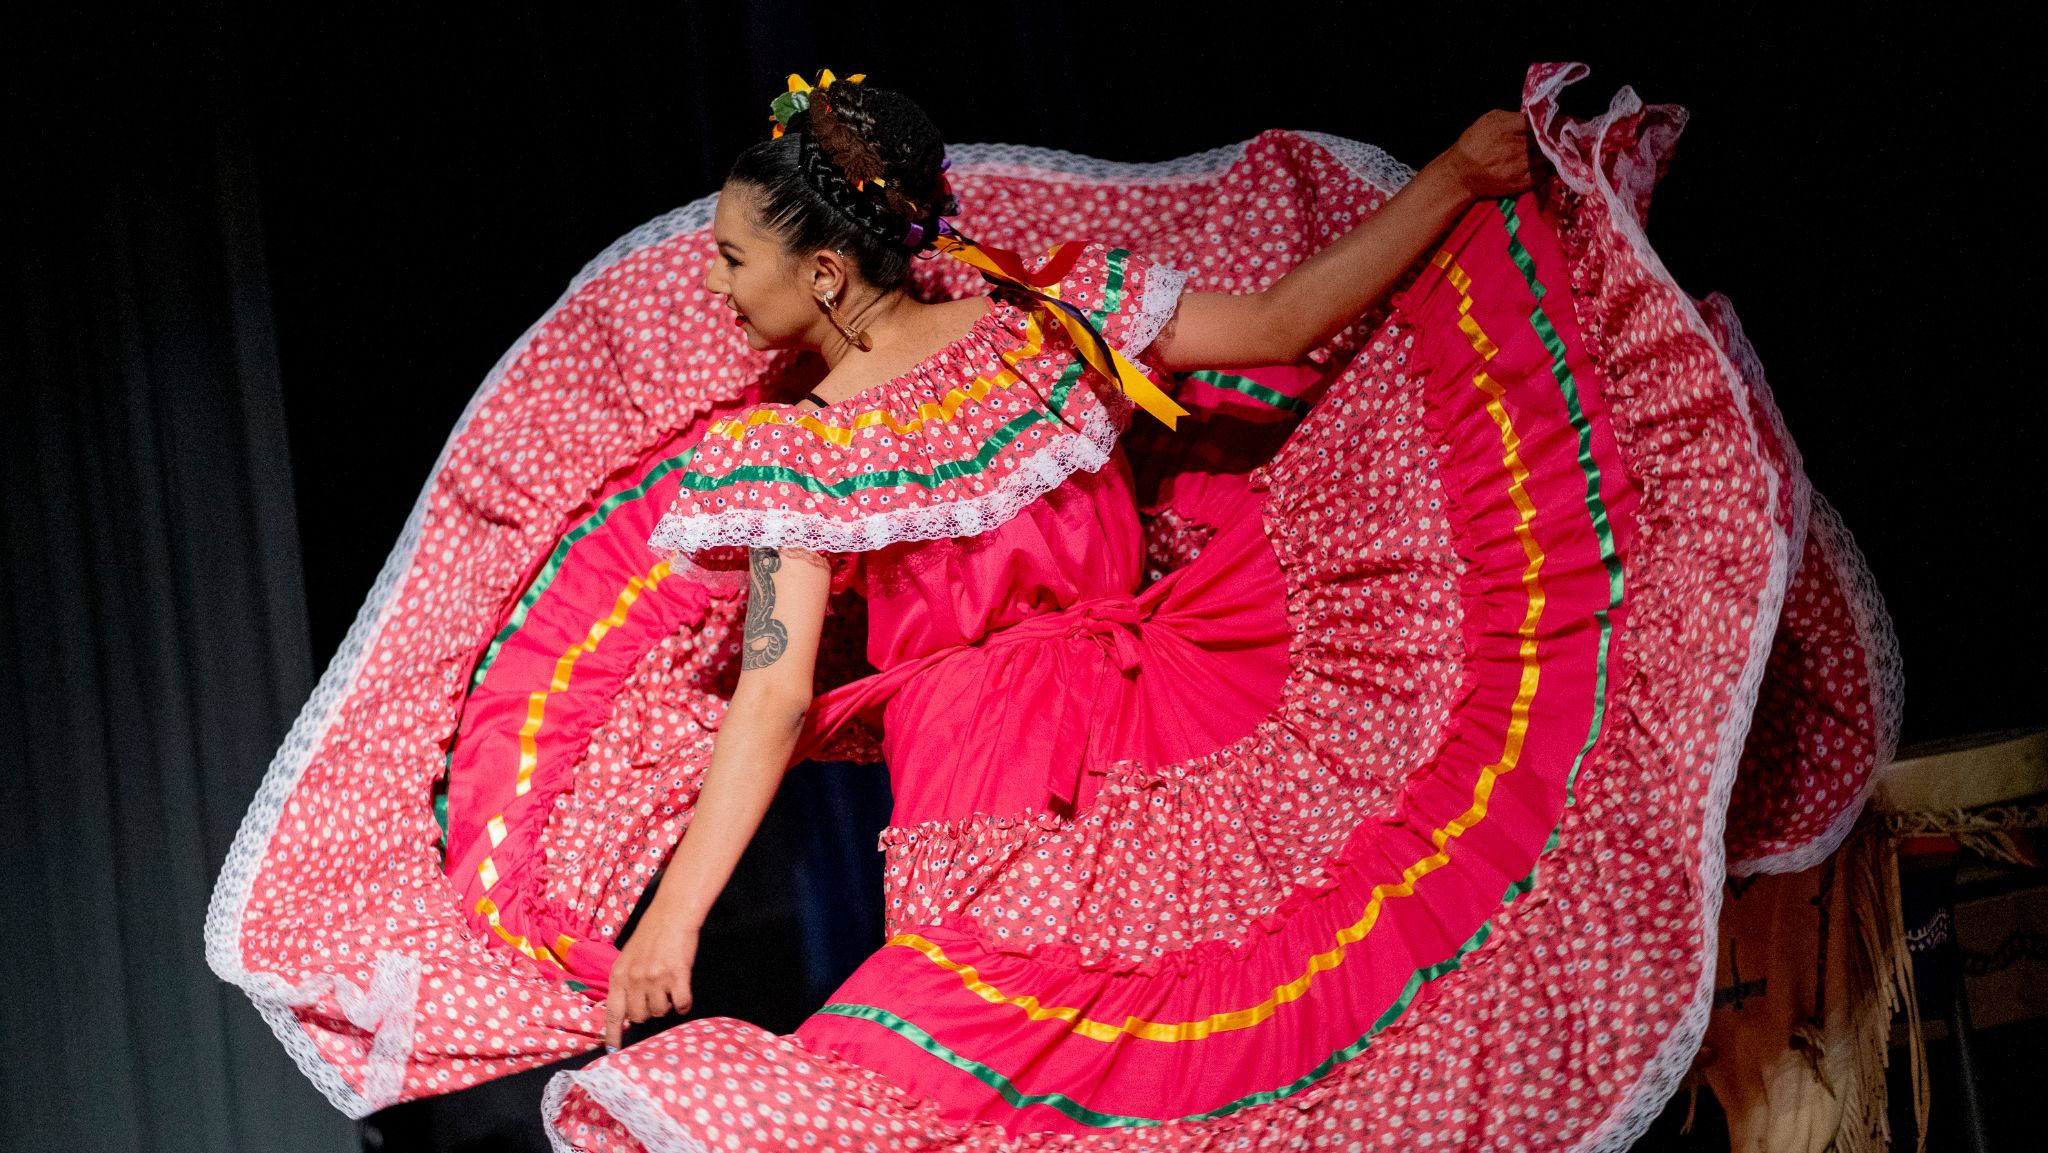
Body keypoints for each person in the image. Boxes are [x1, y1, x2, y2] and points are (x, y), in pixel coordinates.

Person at [208, 63, 1900, 1152]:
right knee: (1106, 1095)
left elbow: (780, 700)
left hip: (1131, 764)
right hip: (1057, 784)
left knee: (1109, 1095)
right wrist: (658, 913)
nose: (717, 296)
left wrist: (1462, 186)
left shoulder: (958, 373)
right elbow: (770, 697)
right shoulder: (949, 379)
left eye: (733, 262)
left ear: (826, 266)